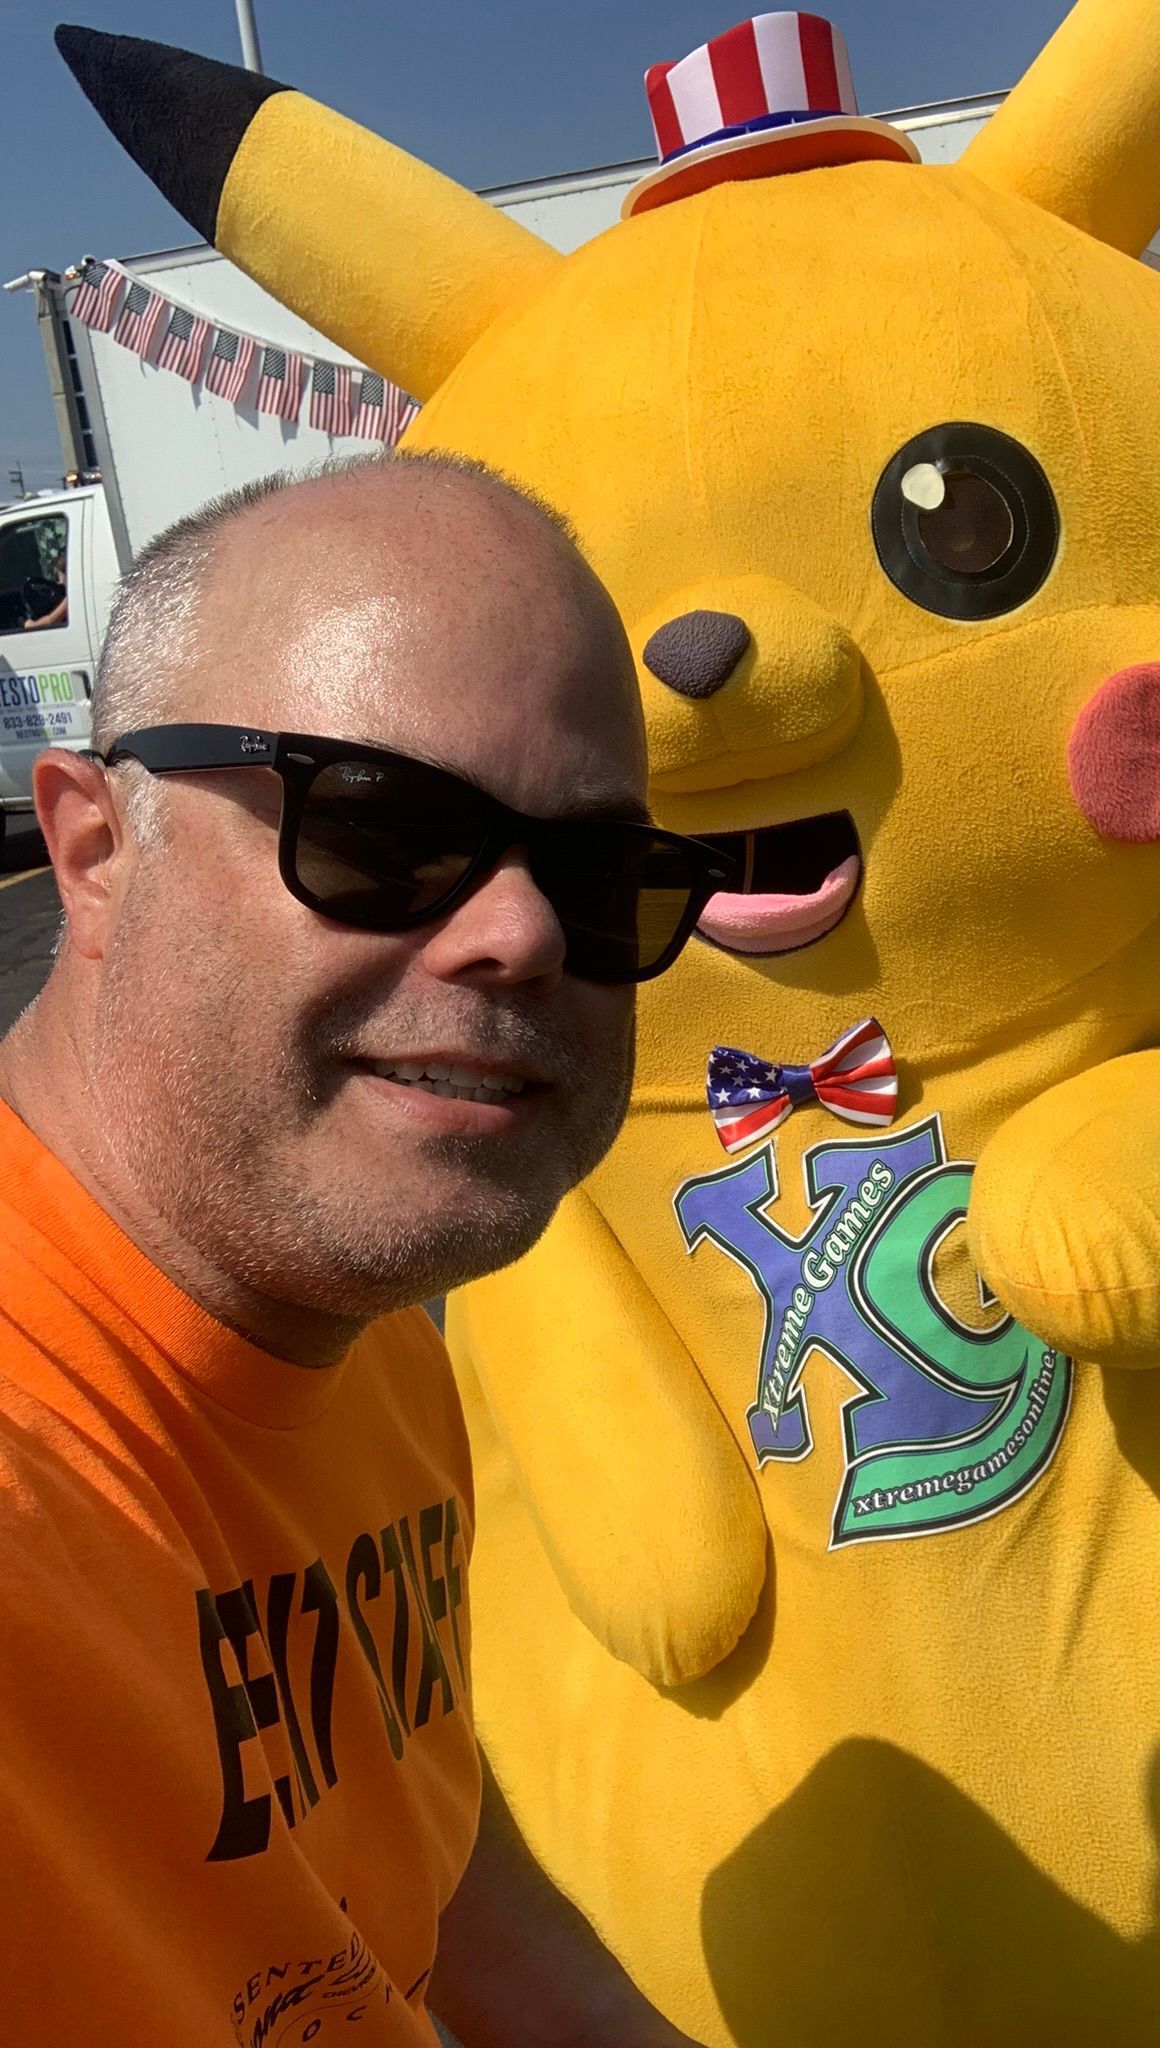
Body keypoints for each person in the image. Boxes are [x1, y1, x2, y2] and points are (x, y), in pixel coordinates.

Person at [0, 452, 719, 2048]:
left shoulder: (367, 1332)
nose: (521, 933)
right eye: (382, 827)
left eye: (598, 875)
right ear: (98, 851)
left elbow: (417, 1856)